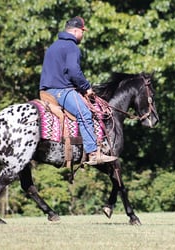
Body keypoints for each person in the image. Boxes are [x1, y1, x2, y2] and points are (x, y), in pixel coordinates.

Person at [39, 16, 117, 165]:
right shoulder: (71, 47)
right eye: (82, 31)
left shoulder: (54, 46)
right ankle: (93, 153)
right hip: (61, 91)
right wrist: (86, 87)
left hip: (46, 91)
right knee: (85, 113)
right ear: (75, 31)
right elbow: (74, 71)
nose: (83, 35)